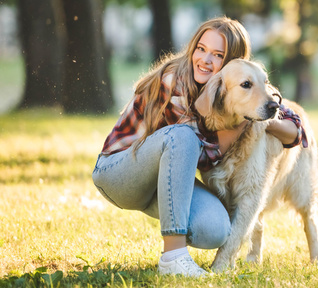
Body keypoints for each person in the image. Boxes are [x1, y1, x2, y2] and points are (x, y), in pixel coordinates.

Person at [91, 17, 306, 277]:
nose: (204, 59)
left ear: (232, 65)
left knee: (216, 228)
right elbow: (205, 155)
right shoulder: (175, 82)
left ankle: (179, 253)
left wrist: (262, 115)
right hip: (119, 173)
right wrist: (246, 121)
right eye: (201, 49)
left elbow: (294, 130)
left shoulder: (237, 85)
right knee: (183, 137)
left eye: (217, 54)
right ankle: (173, 257)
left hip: (160, 182)